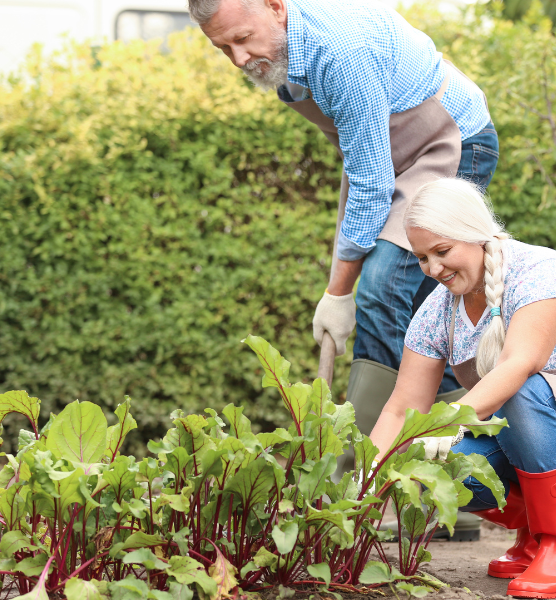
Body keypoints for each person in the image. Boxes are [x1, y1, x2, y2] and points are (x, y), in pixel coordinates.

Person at [190, 0, 499, 538]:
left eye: (242, 38)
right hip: (393, 154)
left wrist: (340, 292)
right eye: (223, 49)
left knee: (383, 287)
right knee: (417, 310)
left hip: (450, 141)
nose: (239, 59)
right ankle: (451, 498)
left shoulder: (338, 50)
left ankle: (364, 489)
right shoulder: (284, 54)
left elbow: (373, 183)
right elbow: (362, 166)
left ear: (275, 6)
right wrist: (340, 279)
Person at [368, 177, 556, 598]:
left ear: (475, 234)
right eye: (422, 258)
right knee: (432, 472)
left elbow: (521, 365)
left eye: (443, 251)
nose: (433, 269)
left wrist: (452, 421)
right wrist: (366, 479)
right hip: (529, 433)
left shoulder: (540, 269)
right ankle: (533, 537)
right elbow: (400, 409)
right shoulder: (437, 312)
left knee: (522, 388)